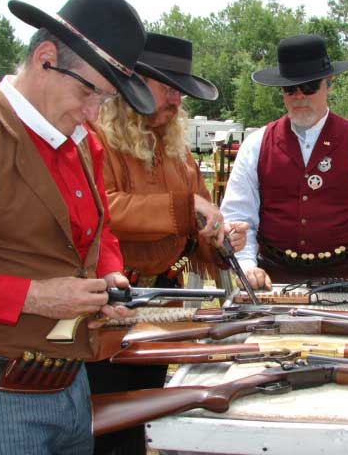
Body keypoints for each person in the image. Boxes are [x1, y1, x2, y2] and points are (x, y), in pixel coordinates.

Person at [0, 0, 154, 454]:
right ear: (44, 58)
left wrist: (110, 277)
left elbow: (99, 234)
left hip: (72, 388)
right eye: (89, 92)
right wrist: (35, 296)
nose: (93, 114)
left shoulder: (82, 142)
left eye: (105, 101)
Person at [88, 32, 247, 454]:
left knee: (144, 415)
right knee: (105, 424)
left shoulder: (179, 152)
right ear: (134, 84)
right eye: (167, 87)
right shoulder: (95, 139)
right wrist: (183, 207)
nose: (176, 100)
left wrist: (220, 241)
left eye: (180, 90)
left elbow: (193, 238)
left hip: (165, 303)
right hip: (108, 304)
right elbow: (102, 210)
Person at [221, 34, 348, 296]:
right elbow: (238, 219)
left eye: (309, 86)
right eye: (290, 89)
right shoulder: (255, 146)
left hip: (347, 281)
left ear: (328, 84)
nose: (299, 96)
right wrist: (247, 266)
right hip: (271, 283)